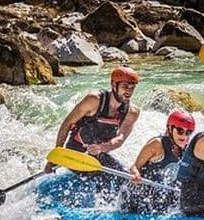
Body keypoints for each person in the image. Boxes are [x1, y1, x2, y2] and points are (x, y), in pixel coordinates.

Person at [45, 66, 141, 197]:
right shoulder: (94, 100)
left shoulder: (132, 112)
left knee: (124, 179)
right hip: (76, 152)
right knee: (103, 180)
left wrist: (102, 147)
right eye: (125, 86)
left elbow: (120, 138)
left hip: (99, 154)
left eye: (132, 88)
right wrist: (56, 156)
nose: (129, 92)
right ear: (114, 84)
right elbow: (67, 124)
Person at [120, 110, 195, 213]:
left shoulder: (186, 149)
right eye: (180, 131)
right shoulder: (157, 144)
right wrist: (136, 174)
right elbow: (134, 167)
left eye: (188, 132)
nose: (184, 136)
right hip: (138, 198)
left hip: (159, 199)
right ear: (170, 129)